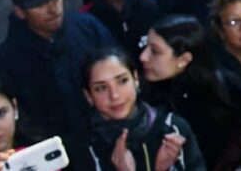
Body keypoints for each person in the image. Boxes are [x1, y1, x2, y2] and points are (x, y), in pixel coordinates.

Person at [0, 0, 116, 139]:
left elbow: (118, 68)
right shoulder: (4, 62)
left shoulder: (88, 28)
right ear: (20, 12)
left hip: (105, 133)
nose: (53, 8)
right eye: (40, 4)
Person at [68, 47, 206, 171]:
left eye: (122, 81)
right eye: (101, 88)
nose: (114, 95)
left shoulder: (173, 129)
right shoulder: (83, 149)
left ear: (135, 79)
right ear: (88, 96)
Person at [140, 15, 241, 166]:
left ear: (184, 59)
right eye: (145, 46)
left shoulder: (229, 91)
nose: (143, 57)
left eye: (155, 51)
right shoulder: (144, 98)